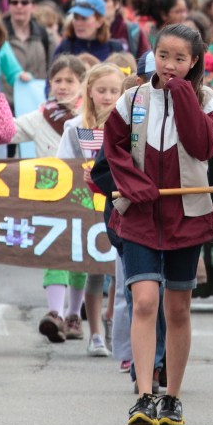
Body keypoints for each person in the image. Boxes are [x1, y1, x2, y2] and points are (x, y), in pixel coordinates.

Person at [104, 23, 213, 425]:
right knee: (143, 301)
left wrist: (182, 94)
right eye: (163, 56)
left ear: (194, 62)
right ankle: (143, 394)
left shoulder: (209, 101)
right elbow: (113, 149)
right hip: (138, 213)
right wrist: (134, 186)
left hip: (186, 214)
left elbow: (202, 146)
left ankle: (172, 396)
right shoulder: (131, 98)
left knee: (178, 308)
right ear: (151, 54)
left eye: (180, 59)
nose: (170, 65)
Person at [10, 54, 87, 342]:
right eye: (57, 80)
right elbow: (8, 130)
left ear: (82, 84)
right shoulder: (41, 117)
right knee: (53, 250)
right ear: (49, 84)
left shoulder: (92, 116)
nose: (63, 86)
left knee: (81, 255)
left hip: (84, 196)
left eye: (70, 80)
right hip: (51, 197)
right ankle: (54, 313)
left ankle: (74, 314)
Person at [58, 61, 125, 358]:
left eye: (114, 91)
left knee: (117, 268)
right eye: (102, 90)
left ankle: (114, 319)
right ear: (90, 92)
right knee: (95, 269)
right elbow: (64, 164)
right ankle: (96, 332)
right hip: (86, 204)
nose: (108, 96)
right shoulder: (75, 127)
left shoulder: (125, 124)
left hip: (117, 201)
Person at [2, 0, 50, 101]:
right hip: (6, 102)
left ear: (33, 6)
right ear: (8, 6)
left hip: (35, 101)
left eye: (24, 2)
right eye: (14, 2)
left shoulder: (43, 35)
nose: (19, 6)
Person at [52, 0, 125, 63]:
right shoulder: (65, 47)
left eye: (84, 18)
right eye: (76, 17)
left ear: (99, 22)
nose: (78, 23)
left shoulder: (114, 49)